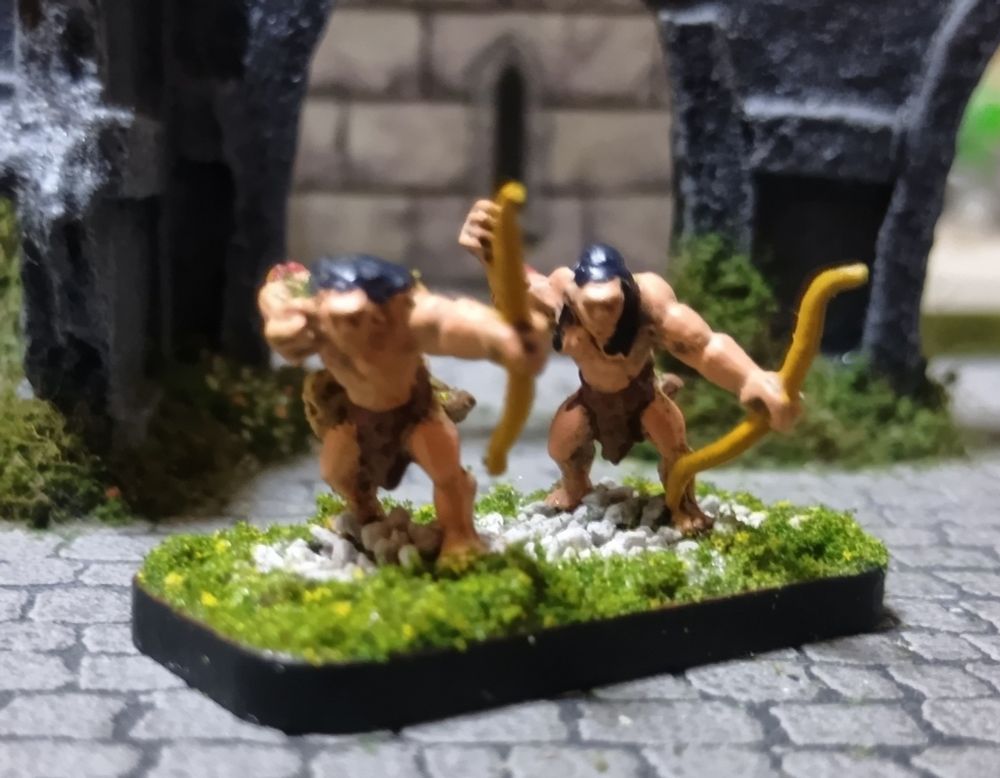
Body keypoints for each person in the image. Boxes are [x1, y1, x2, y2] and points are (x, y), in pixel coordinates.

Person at [459, 201, 800, 533]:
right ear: (576, 296)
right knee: (560, 447)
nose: (600, 317)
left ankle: (684, 505)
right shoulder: (562, 300)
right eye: (591, 306)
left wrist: (752, 379)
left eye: (609, 305)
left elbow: (705, 347)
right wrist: (492, 255)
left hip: (643, 397)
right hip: (592, 398)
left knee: (676, 454)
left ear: (626, 292)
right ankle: (575, 488)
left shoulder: (651, 306)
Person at [258, 255, 547, 557]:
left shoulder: (406, 318)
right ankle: (364, 510)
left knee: (446, 473)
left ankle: (460, 535)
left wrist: (506, 337)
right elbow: (280, 288)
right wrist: (280, 318)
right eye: (336, 316)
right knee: (336, 471)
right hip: (355, 414)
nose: (343, 327)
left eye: (354, 317)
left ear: (382, 311)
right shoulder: (315, 318)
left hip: (415, 412)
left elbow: (451, 321)